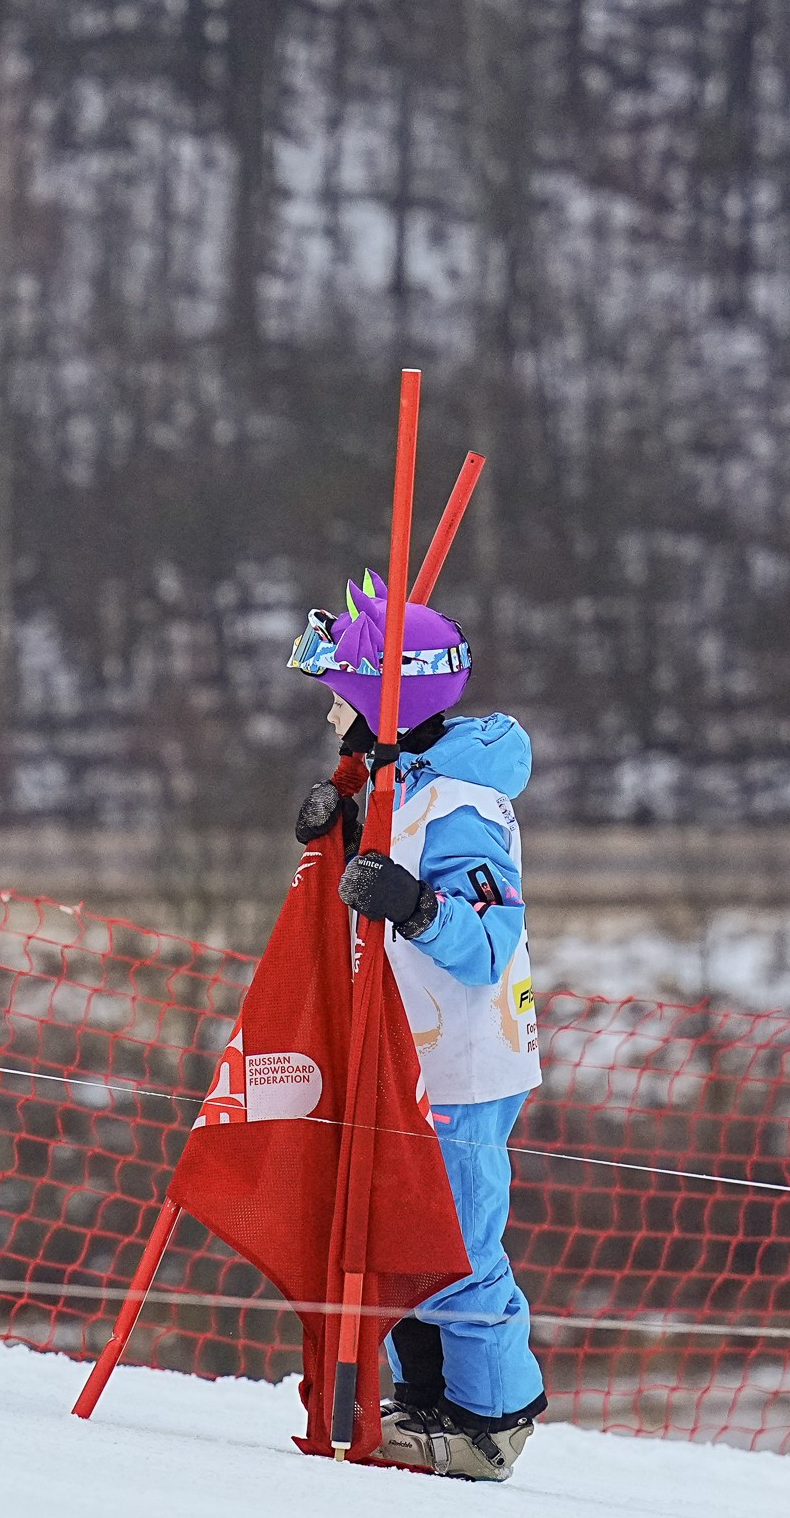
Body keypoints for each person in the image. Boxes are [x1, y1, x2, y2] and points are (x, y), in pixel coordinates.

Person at [287, 572, 544, 1480]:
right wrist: (344, 825)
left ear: (382, 703)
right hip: (408, 1053)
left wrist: (411, 902)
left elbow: (485, 938)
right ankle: (426, 1398)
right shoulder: (404, 780)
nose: (328, 717)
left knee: (460, 1242)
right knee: (401, 1232)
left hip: (466, 1060)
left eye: (338, 700)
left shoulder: (464, 803)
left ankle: (493, 1416)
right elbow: (382, 841)